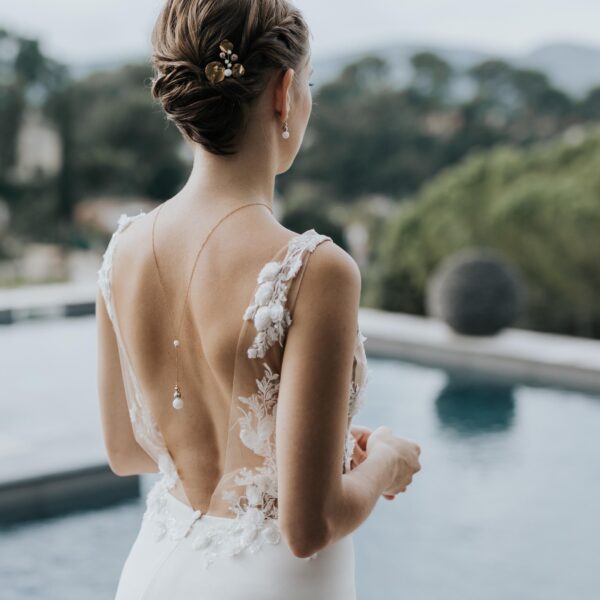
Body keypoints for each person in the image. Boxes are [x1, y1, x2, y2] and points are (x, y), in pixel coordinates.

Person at [95, 1, 421, 598]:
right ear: (285, 91)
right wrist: (387, 463)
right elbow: (308, 524)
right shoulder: (315, 269)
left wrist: (310, 448)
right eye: (310, 84)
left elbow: (124, 451)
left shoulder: (123, 252)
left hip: (153, 572)